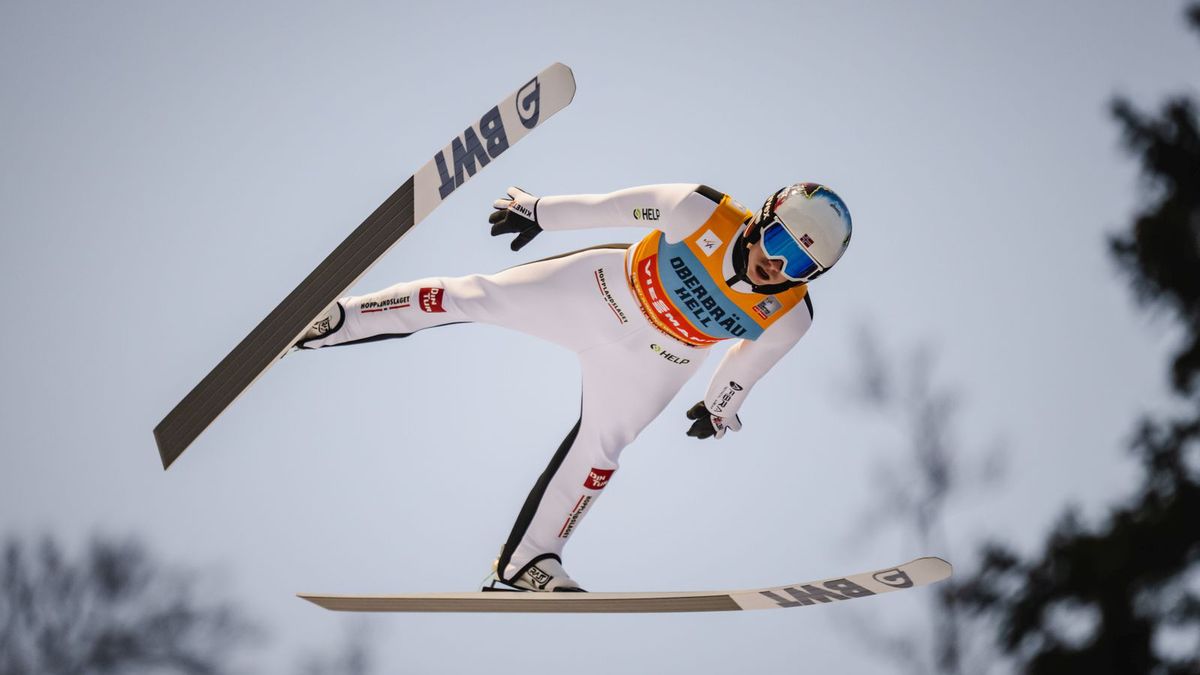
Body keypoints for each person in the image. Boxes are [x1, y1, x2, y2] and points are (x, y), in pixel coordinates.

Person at [295, 182, 853, 592]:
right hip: (601, 292)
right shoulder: (700, 211)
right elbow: (612, 207)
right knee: (473, 295)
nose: (777, 265)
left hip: (659, 360)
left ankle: (529, 561)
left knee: (601, 454)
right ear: (762, 219)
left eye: (802, 263)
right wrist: (539, 212)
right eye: (779, 242)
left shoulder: (790, 317)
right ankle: (340, 318)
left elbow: (744, 368)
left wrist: (718, 407)